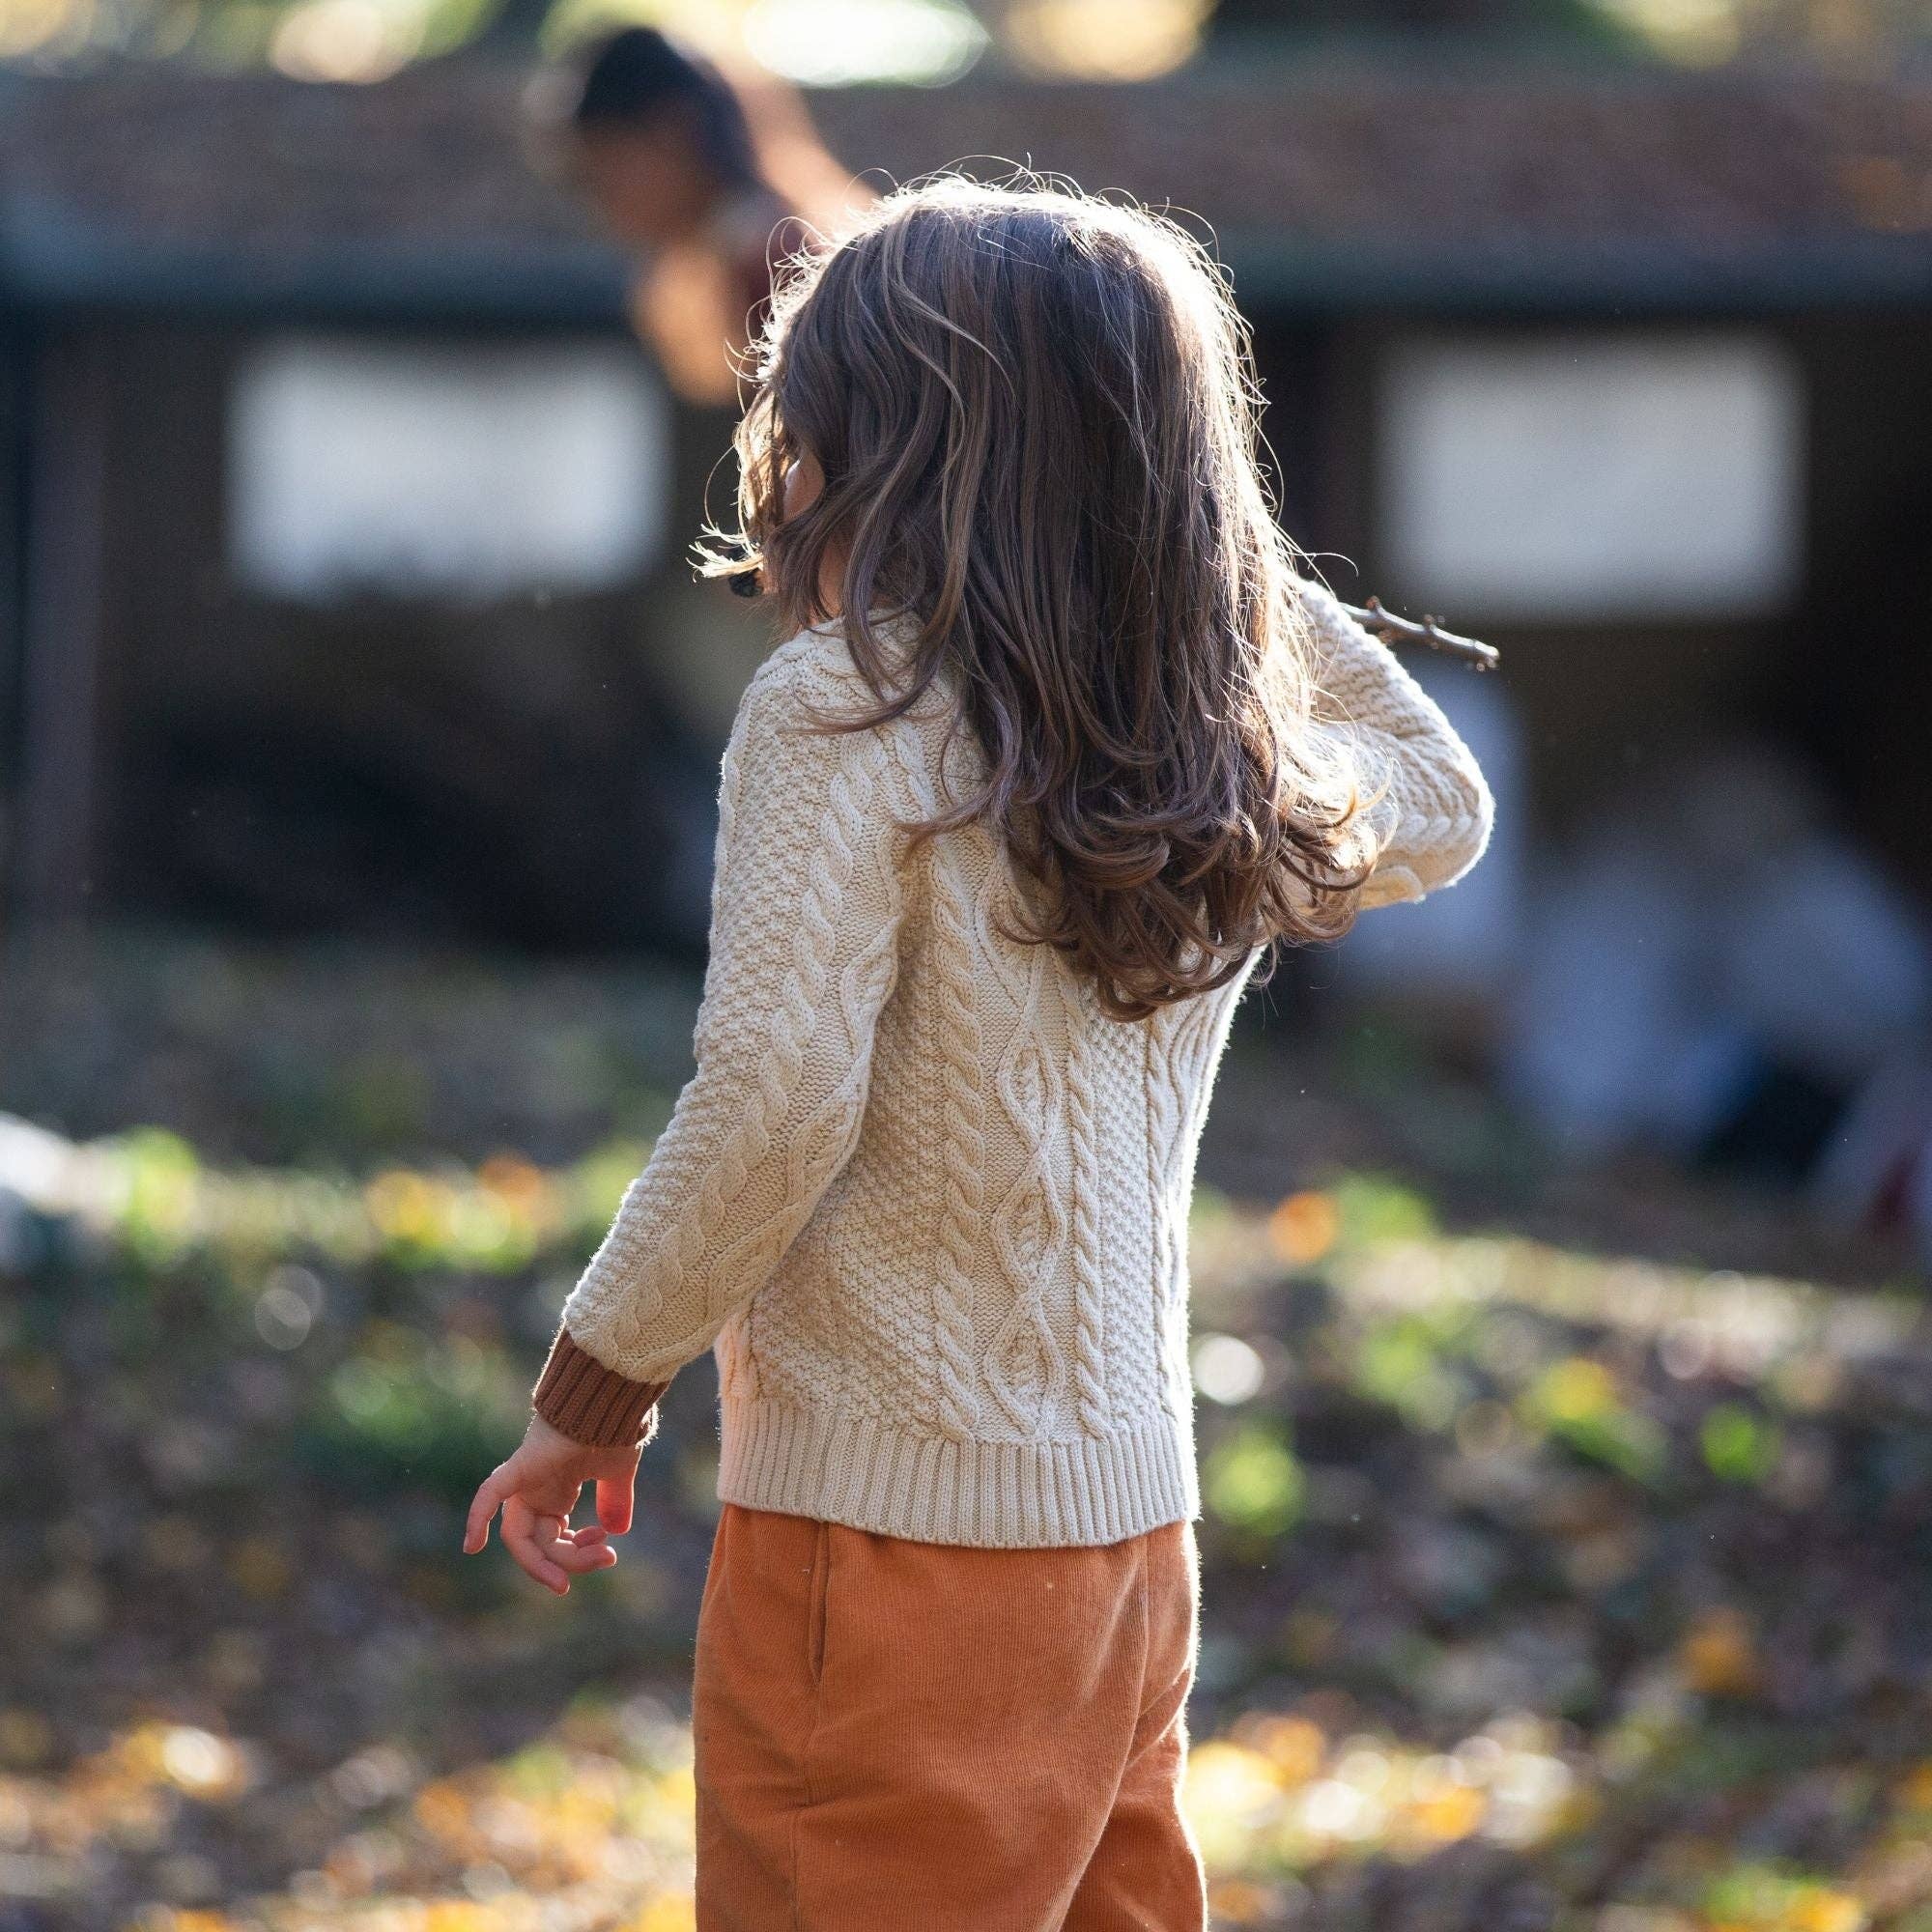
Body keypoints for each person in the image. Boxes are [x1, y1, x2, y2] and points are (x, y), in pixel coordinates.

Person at [465, 176, 1493, 1930]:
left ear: (873, 453)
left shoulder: (845, 707)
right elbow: (1440, 797)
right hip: (1127, 1550)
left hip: (892, 1551)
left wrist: (596, 1388)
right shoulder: (1195, 752)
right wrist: (1198, 553)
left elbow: (774, 1099)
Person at [528, 25, 866, 403]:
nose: (602, 203)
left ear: (670, 130)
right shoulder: (744, 247)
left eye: (604, 170)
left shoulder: (775, 261)